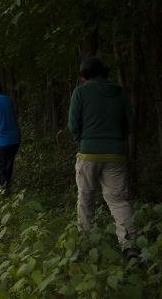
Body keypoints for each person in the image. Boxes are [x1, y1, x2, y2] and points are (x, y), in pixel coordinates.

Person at [67, 57, 137, 258]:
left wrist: (83, 141)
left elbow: (73, 124)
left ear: (84, 78)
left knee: (85, 198)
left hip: (88, 153)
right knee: (119, 201)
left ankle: (85, 243)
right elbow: (130, 125)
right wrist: (116, 140)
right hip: (115, 154)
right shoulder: (119, 92)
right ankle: (130, 246)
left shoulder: (80, 92)